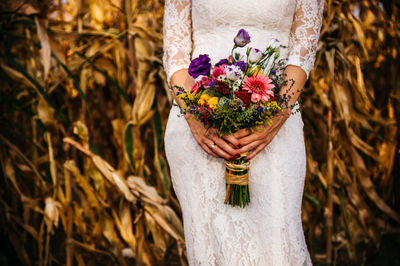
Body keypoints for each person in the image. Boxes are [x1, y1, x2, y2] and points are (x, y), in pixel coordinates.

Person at [163, 0, 324, 265]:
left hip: (275, 124)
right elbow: (175, 52)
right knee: (211, 248)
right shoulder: (196, 121)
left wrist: (274, 119)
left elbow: (302, 53)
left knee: (278, 245)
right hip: (199, 127)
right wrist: (195, 118)